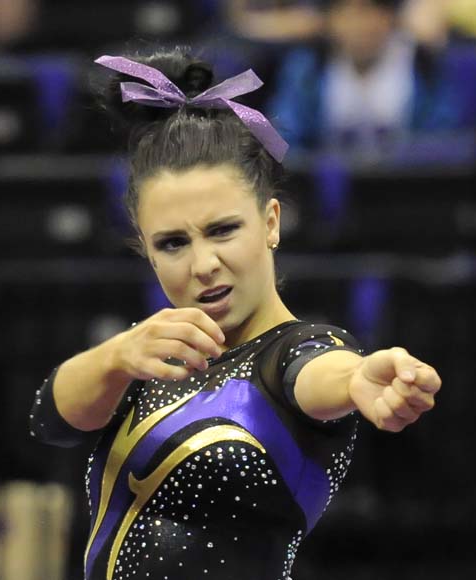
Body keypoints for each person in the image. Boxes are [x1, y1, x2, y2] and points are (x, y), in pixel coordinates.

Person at [30, 48, 442, 580]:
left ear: (271, 222)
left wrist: (361, 377)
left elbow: (321, 374)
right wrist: (116, 356)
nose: (204, 264)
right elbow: (50, 419)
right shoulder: (152, 353)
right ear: (145, 250)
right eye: (173, 243)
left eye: (223, 230)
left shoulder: (294, 351)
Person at [267, 0, 467, 151]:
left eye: (371, 12)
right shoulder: (307, 68)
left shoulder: (422, 64)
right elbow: (282, 135)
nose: (361, 26)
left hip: (407, 187)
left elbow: (444, 137)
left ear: (391, 17)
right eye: (348, 14)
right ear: (329, 21)